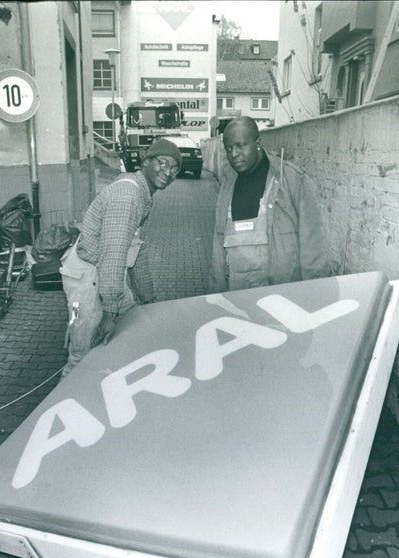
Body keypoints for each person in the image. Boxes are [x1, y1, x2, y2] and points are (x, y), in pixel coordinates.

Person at [58, 138, 181, 378]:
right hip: (88, 275)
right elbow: (113, 255)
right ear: (146, 161)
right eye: (163, 163)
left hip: (103, 273)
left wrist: (148, 298)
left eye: (175, 169)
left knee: (131, 323)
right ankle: (70, 402)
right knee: (83, 356)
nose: (168, 173)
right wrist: (110, 313)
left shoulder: (142, 193)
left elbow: (136, 249)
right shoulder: (129, 196)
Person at [208, 116, 332, 293]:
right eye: (229, 149)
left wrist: (314, 295)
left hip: (282, 296)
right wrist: (215, 296)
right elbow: (218, 247)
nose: (234, 154)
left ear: (257, 143)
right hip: (236, 298)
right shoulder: (228, 184)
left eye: (241, 145)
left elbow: (313, 244)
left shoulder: (291, 180)